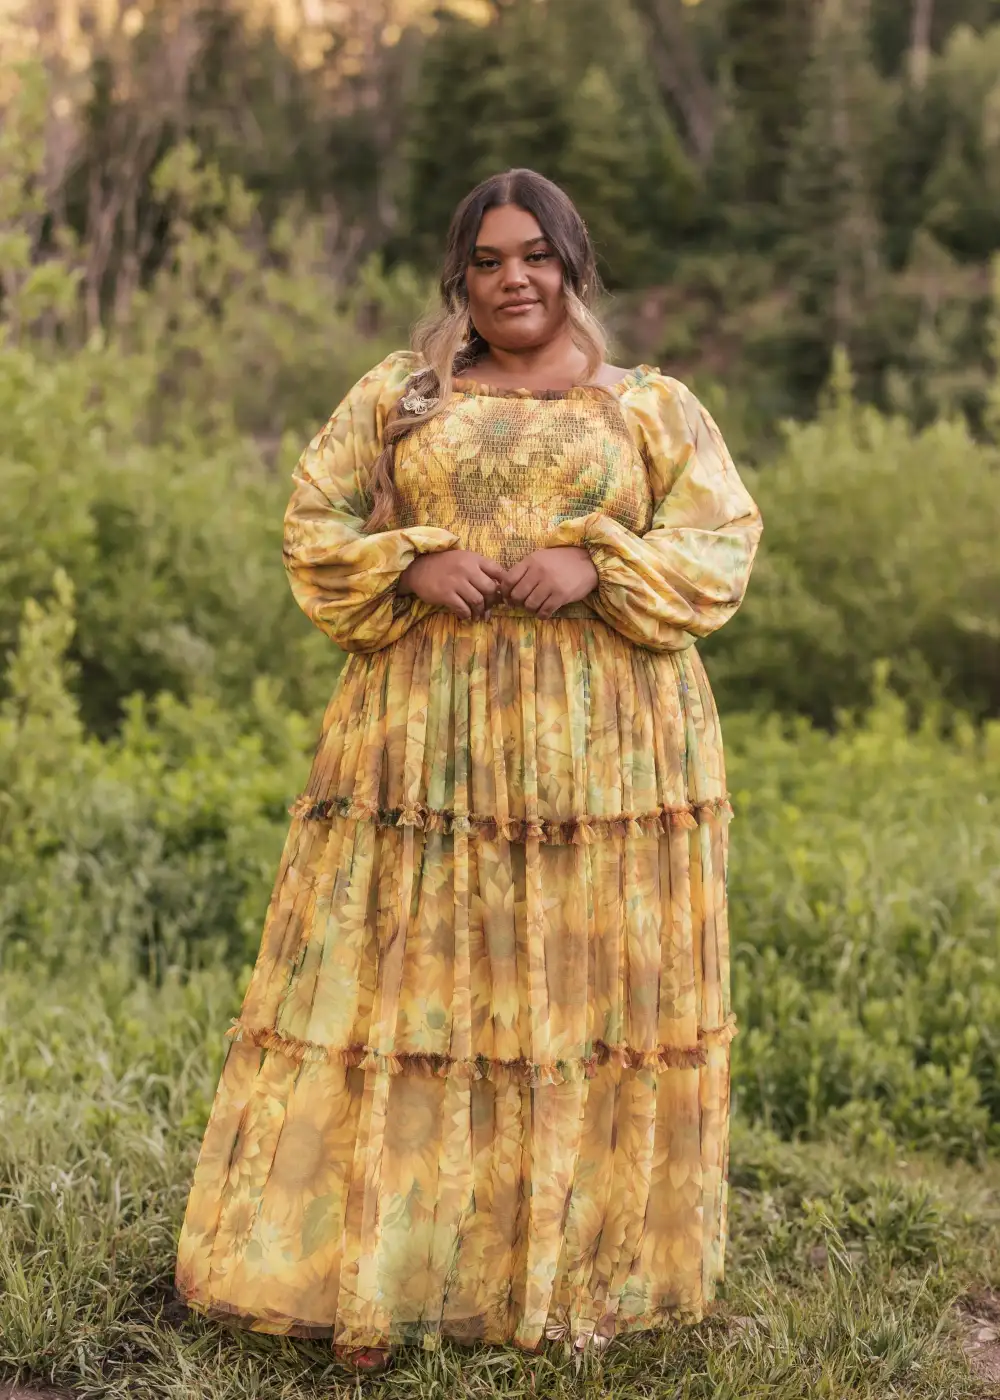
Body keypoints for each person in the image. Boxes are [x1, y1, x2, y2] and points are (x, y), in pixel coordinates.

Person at [175, 168, 762, 1372]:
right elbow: (311, 522)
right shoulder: (403, 397)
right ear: (460, 277)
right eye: (489, 260)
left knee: (584, 1000)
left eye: (535, 255)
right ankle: (408, 1264)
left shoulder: (647, 406)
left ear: (573, 264)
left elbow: (719, 540)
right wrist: (410, 564)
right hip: (425, 745)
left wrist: (596, 566)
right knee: (421, 989)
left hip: (606, 753)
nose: (514, 279)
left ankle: (570, 1270)